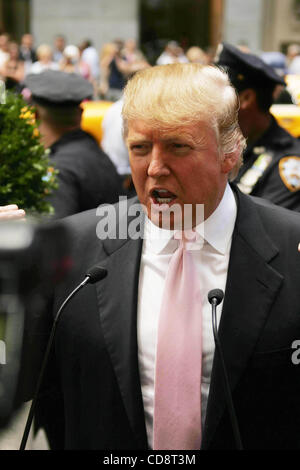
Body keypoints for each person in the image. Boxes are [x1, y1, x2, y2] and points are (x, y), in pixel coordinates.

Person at [28, 63, 300, 450]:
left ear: (230, 153)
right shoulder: (70, 247)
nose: (155, 168)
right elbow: (22, 380)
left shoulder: (292, 249)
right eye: (140, 148)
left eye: (178, 146)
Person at [24, 70, 123, 218]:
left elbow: (53, 235)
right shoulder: (94, 150)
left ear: (35, 114)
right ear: (81, 113)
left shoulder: (58, 169)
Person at [216, 42, 300, 211]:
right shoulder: (219, 143)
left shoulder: (287, 161)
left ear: (246, 98)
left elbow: (269, 230)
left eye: (216, 97)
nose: (208, 105)